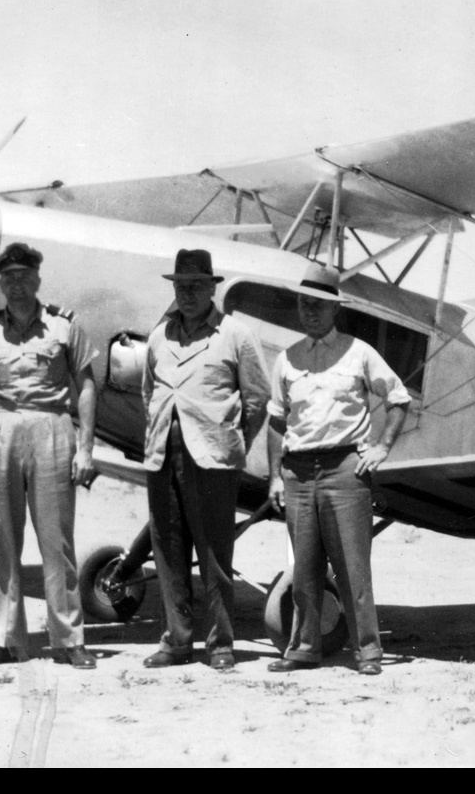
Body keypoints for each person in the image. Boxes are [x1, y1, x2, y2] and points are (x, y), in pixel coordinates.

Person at [266, 263, 410, 676]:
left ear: (334, 310)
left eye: (319, 305)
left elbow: (398, 398)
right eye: (304, 304)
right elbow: (277, 421)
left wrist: (381, 447)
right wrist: (275, 476)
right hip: (297, 472)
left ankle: (368, 652)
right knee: (304, 568)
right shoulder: (287, 359)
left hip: (346, 469)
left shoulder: (359, 352)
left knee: (352, 568)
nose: (310, 311)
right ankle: (304, 648)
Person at [0, 242, 98, 669]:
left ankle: (68, 640)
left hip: (52, 428)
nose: (17, 285)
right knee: (3, 540)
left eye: (25, 277)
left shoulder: (63, 327)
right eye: (9, 279)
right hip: (0, 429)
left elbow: (87, 384)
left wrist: (87, 448)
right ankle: (3, 639)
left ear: (38, 280)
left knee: (57, 541)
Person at [141, 248, 270, 671]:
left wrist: (232, 443)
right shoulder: (160, 335)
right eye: (181, 286)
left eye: (196, 286)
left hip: (213, 459)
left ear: (212, 289)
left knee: (215, 555)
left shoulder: (235, 335)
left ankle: (220, 644)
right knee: (168, 551)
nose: (188, 294)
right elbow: (149, 392)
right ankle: (177, 641)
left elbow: (258, 399)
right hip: (163, 456)